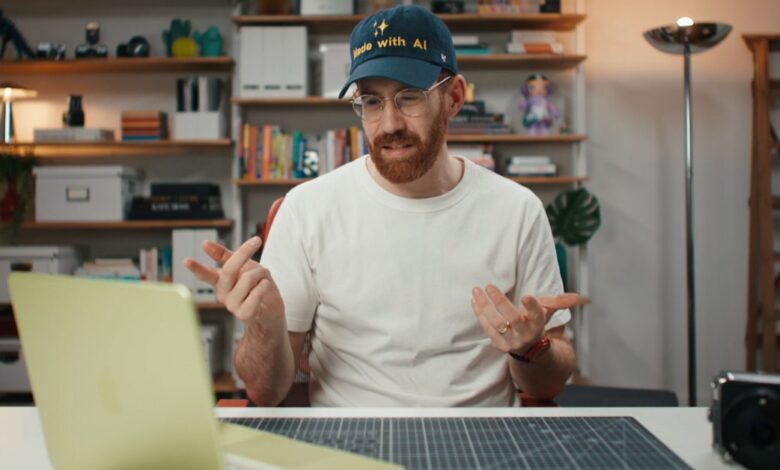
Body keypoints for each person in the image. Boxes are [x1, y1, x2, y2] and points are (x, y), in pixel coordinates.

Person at [186, 4, 579, 407]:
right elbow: (265, 394)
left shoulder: (517, 210)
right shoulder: (307, 209)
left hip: (480, 445)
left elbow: (547, 385)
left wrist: (530, 348)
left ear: (455, 97)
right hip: (349, 446)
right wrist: (264, 326)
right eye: (372, 102)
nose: (389, 124)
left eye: (409, 97)